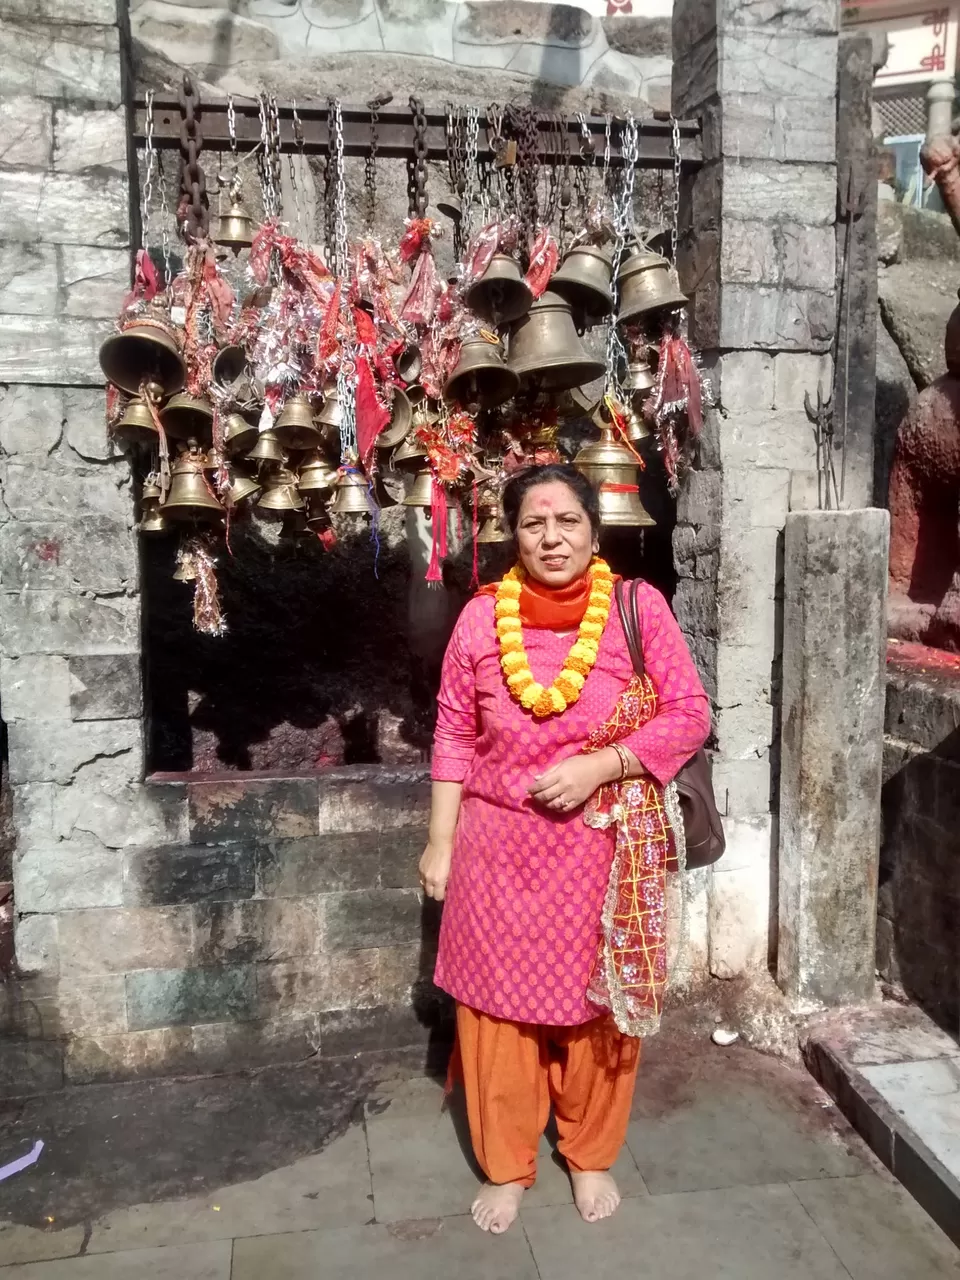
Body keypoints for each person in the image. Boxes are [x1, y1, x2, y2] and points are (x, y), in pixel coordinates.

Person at [419, 462, 711, 1234]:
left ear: (593, 530)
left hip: (601, 854)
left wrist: (600, 767)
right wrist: (439, 841)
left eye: (567, 521)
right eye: (534, 524)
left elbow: (688, 713)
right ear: (514, 535)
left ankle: (590, 1153)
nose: (552, 538)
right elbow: (453, 732)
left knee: (595, 1009)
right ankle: (507, 1163)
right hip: (494, 852)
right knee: (495, 1015)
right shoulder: (481, 619)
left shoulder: (636, 607)